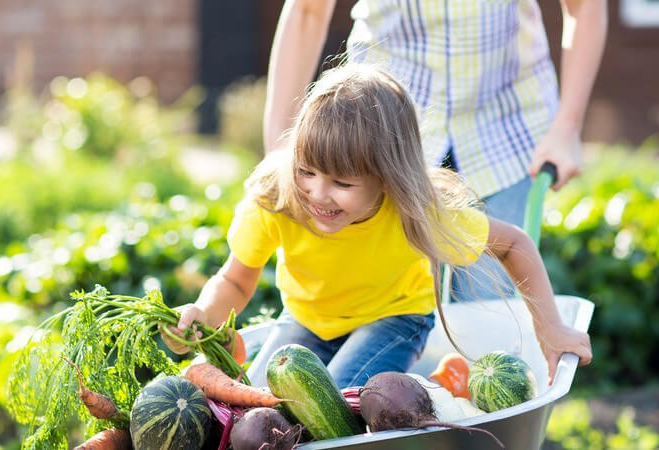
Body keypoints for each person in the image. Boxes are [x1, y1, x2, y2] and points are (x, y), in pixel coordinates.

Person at [164, 65, 591, 388]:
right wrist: (203, 313)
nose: (317, 193)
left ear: (386, 178)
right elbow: (236, 282)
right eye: (308, 171)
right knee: (258, 402)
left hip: (394, 319)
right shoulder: (279, 196)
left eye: (343, 183)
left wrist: (549, 326)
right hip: (308, 319)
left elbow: (513, 244)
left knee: (328, 407)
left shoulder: (415, 208)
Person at [262, 0, 607, 301]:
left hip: (505, 123)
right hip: (381, 137)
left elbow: (583, 5)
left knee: (488, 313)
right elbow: (308, 9)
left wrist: (567, 127)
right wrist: (280, 146)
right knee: (383, 308)